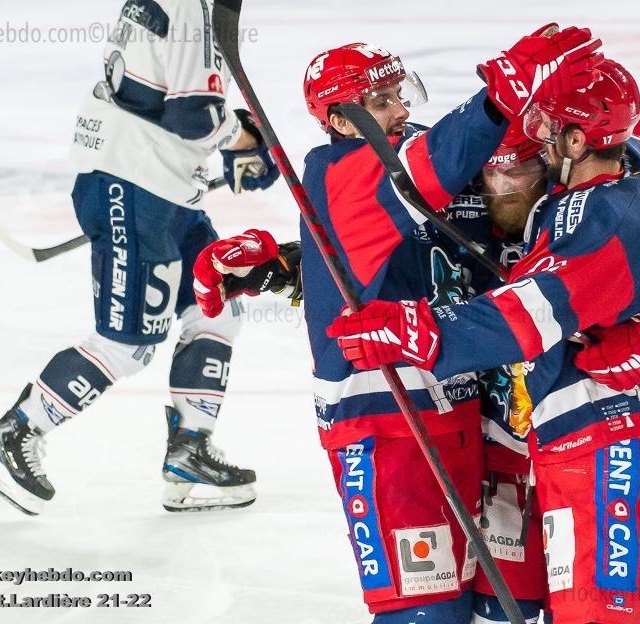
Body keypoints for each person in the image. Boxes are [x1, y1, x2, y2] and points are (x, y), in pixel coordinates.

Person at [193, 27, 604, 624]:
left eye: (399, 94)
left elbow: (426, 239)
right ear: (340, 120)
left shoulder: (410, 159)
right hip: (388, 427)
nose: (401, 110)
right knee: (426, 615)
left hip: (474, 409)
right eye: (381, 101)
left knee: (506, 605)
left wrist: (604, 141)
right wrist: (496, 99)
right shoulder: (344, 171)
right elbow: (427, 170)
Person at [327, 58, 640, 623]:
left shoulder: (588, 213)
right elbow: (377, 248)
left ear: (556, 154)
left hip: (596, 438)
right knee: (508, 611)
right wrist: (288, 266)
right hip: (511, 447)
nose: (506, 189)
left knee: (592, 614)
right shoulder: (470, 205)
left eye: (524, 169)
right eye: (493, 175)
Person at [0, 0, 280, 516]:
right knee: (127, 345)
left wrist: (236, 135)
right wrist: (245, 139)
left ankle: (189, 450)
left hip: (158, 181)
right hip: (133, 184)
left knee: (216, 305)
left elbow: (164, 94)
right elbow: (192, 115)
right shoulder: (192, 4)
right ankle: (15, 432)